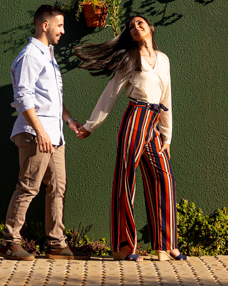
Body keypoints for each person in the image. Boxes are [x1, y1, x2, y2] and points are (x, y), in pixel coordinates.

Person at [75, 15, 188, 262]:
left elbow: (166, 97)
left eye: (140, 23)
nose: (136, 28)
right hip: (135, 119)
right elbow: (110, 94)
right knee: (126, 180)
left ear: (151, 28)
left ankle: (165, 246)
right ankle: (123, 246)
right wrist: (90, 126)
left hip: (155, 124)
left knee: (165, 180)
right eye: (131, 27)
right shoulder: (129, 59)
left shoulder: (164, 59)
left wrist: (167, 136)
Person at [0, 5, 90, 261]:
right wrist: (40, 131)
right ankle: (9, 242)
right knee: (28, 187)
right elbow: (24, 96)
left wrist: (70, 121)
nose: (63, 31)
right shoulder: (31, 55)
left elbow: (51, 98)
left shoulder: (48, 55)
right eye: (60, 25)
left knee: (58, 187)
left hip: (54, 134)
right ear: (45, 25)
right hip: (35, 134)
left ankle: (56, 244)